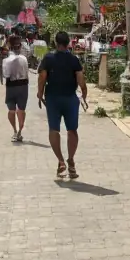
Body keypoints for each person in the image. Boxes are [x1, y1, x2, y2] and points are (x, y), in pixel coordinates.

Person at [36, 30, 87, 179]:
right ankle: (71, 160)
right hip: (70, 99)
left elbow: (42, 77)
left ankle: (60, 161)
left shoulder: (48, 58)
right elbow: (80, 79)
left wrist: (40, 94)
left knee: (54, 130)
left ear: (55, 43)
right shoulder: (74, 60)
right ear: (69, 43)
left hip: (53, 99)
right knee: (72, 130)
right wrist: (84, 93)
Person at [1, 34, 30, 143]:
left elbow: (6, 75)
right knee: (21, 110)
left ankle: (14, 131)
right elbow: (27, 73)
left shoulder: (7, 60)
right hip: (23, 86)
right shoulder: (24, 59)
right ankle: (20, 132)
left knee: (11, 110)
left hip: (11, 87)